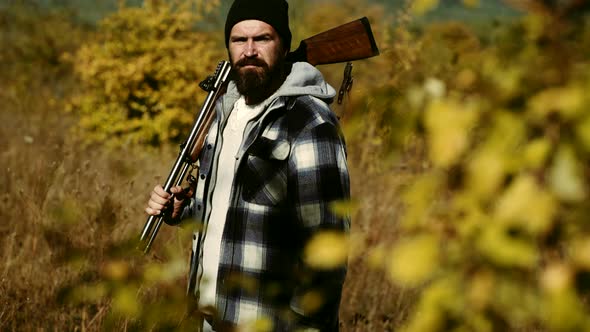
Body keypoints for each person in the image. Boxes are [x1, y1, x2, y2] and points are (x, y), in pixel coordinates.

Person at [145, 0, 350, 330]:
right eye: (239, 40)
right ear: (228, 46)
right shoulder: (224, 113)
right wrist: (184, 210)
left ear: (284, 46)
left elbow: (328, 249)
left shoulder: (309, 122)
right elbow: (236, 212)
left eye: (263, 39)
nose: (249, 50)